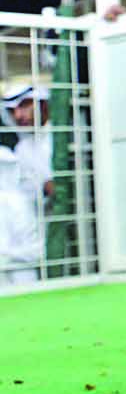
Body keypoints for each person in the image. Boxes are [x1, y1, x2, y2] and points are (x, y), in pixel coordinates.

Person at [0, 86, 52, 283]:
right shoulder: (23, 148)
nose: (18, 115)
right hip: (36, 222)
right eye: (12, 111)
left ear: (40, 103)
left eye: (23, 107)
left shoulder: (62, 134)